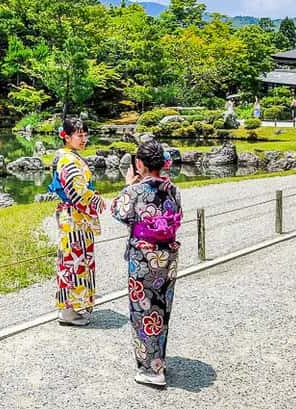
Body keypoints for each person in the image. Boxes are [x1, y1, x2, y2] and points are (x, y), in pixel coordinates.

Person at [110, 140, 182, 387]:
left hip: (143, 257)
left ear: (138, 163)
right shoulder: (173, 189)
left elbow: (118, 212)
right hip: (168, 256)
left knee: (142, 311)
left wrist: (128, 183)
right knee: (162, 307)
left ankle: (151, 370)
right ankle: (159, 360)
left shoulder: (135, 191)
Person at [47, 118, 105, 326]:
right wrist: (96, 201)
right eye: (79, 135)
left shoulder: (68, 156)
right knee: (73, 260)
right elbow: (77, 193)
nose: (83, 139)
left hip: (74, 217)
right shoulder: (68, 160)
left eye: (85, 134)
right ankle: (68, 310)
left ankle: (71, 307)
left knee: (73, 259)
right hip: (74, 217)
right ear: (67, 137)